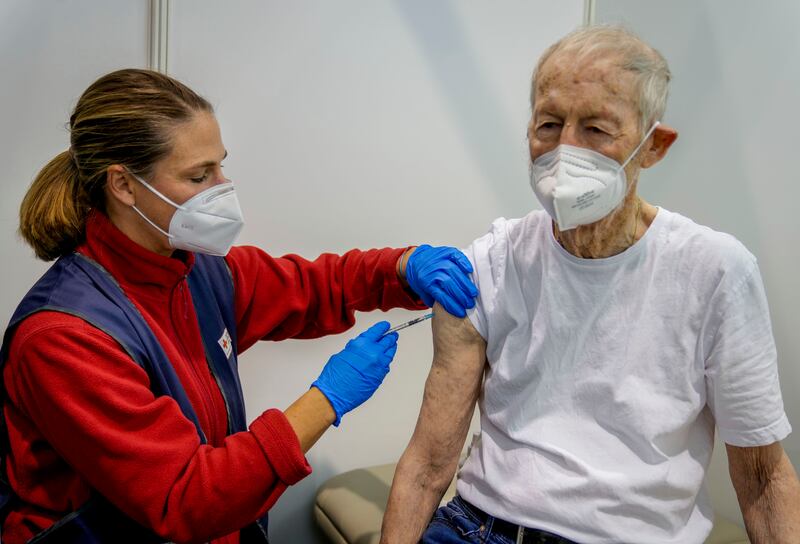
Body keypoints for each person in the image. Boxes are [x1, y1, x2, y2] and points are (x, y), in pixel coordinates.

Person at [0, 68, 478, 544]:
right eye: (198, 175)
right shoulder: (63, 337)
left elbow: (315, 286)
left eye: (220, 166)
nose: (222, 187)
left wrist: (401, 268)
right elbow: (184, 498)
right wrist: (325, 400)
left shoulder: (194, 270)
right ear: (123, 186)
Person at [382, 25, 800, 544]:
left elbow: (761, 479)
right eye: (549, 124)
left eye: (597, 130)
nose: (565, 151)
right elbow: (428, 462)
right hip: (478, 528)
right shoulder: (490, 261)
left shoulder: (716, 273)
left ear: (654, 146)